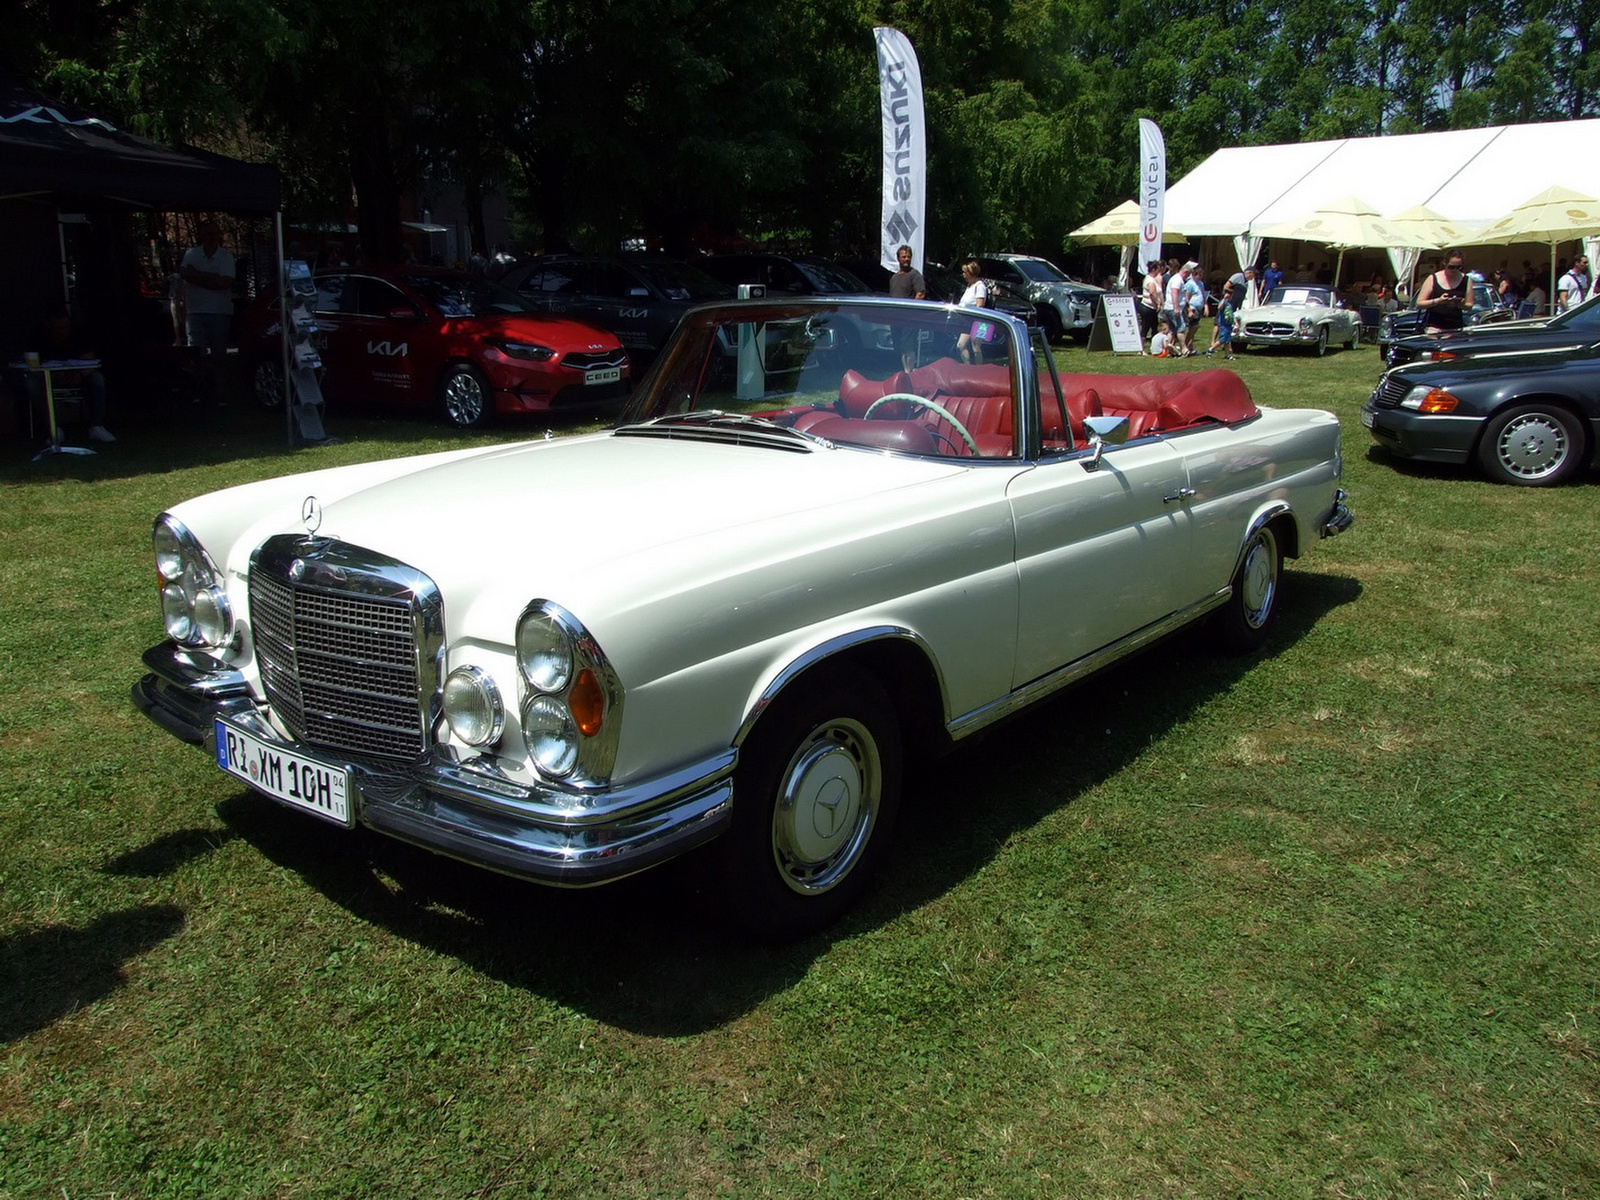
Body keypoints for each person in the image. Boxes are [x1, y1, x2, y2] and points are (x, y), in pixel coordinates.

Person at [23, 309, 113, 443]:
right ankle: (54, 429)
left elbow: (90, 361)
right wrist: (53, 377)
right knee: (31, 384)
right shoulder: (37, 337)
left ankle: (96, 426)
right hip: (48, 378)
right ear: (49, 327)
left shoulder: (79, 334)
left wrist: (79, 375)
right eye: (58, 328)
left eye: (66, 327)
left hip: (77, 376)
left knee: (97, 379)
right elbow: (31, 365)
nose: (63, 331)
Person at [180, 219, 236, 401]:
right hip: (195, 311)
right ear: (202, 235)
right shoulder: (191, 254)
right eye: (208, 233)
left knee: (219, 355)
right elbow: (186, 275)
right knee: (197, 355)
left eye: (215, 234)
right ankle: (200, 391)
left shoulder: (226, 256)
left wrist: (197, 276)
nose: (212, 237)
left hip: (219, 312)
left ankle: (221, 392)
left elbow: (224, 283)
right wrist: (211, 279)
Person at [1414, 249, 1473, 333]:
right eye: (1451, 267)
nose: (1454, 270)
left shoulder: (1466, 280)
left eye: (1458, 267)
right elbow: (1419, 304)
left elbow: (1469, 305)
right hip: (1434, 326)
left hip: (1456, 327)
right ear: (1444, 263)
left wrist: (1460, 304)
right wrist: (1438, 301)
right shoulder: (1433, 278)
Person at [889, 244, 927, 370]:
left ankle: (909, 372)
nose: (906, 259)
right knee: (899, 346)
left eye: (908, 257)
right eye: (903, 257)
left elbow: (920, 294)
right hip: (895, 319)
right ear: (898, 258)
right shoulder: (894, 278)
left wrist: (911, 311)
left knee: (908, 346)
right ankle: (903, 371)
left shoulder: (915, 275)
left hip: (909, 319)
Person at [955, 258, 989, 364]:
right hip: (967, 321)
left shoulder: (980, 286)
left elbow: (980, 305)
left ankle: (978, 370)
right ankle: (968, 367)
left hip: (979, 322)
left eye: (965, 272)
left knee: (976, 347)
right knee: (960, 345)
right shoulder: (969, 286)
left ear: (971, 273)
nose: (963, 274)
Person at [1206, 283, 1238, 359]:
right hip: (1223, 324)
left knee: (1227, 340)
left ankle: (1227, 355)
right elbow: (1219, 308)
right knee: (1223, 339)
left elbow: (1231, 314)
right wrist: (1224, 299)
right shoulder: (1223, 303)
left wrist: (1235, 323)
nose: (1231, 297)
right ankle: (1210, 349)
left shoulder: (1229, 305)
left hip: (1228, 324)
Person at [1138, 260, 1164, 342]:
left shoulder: (1153, 279)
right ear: (1153, 269)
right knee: (1145, 327)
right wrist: (1158, 303)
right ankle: (1141, 348)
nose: (1158, 272)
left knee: (1155, 327)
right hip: (1147, 307)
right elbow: (1152, 293)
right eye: (1157, 269)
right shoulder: (1150, 281)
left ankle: (1156, 345)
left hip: (1152, 308)